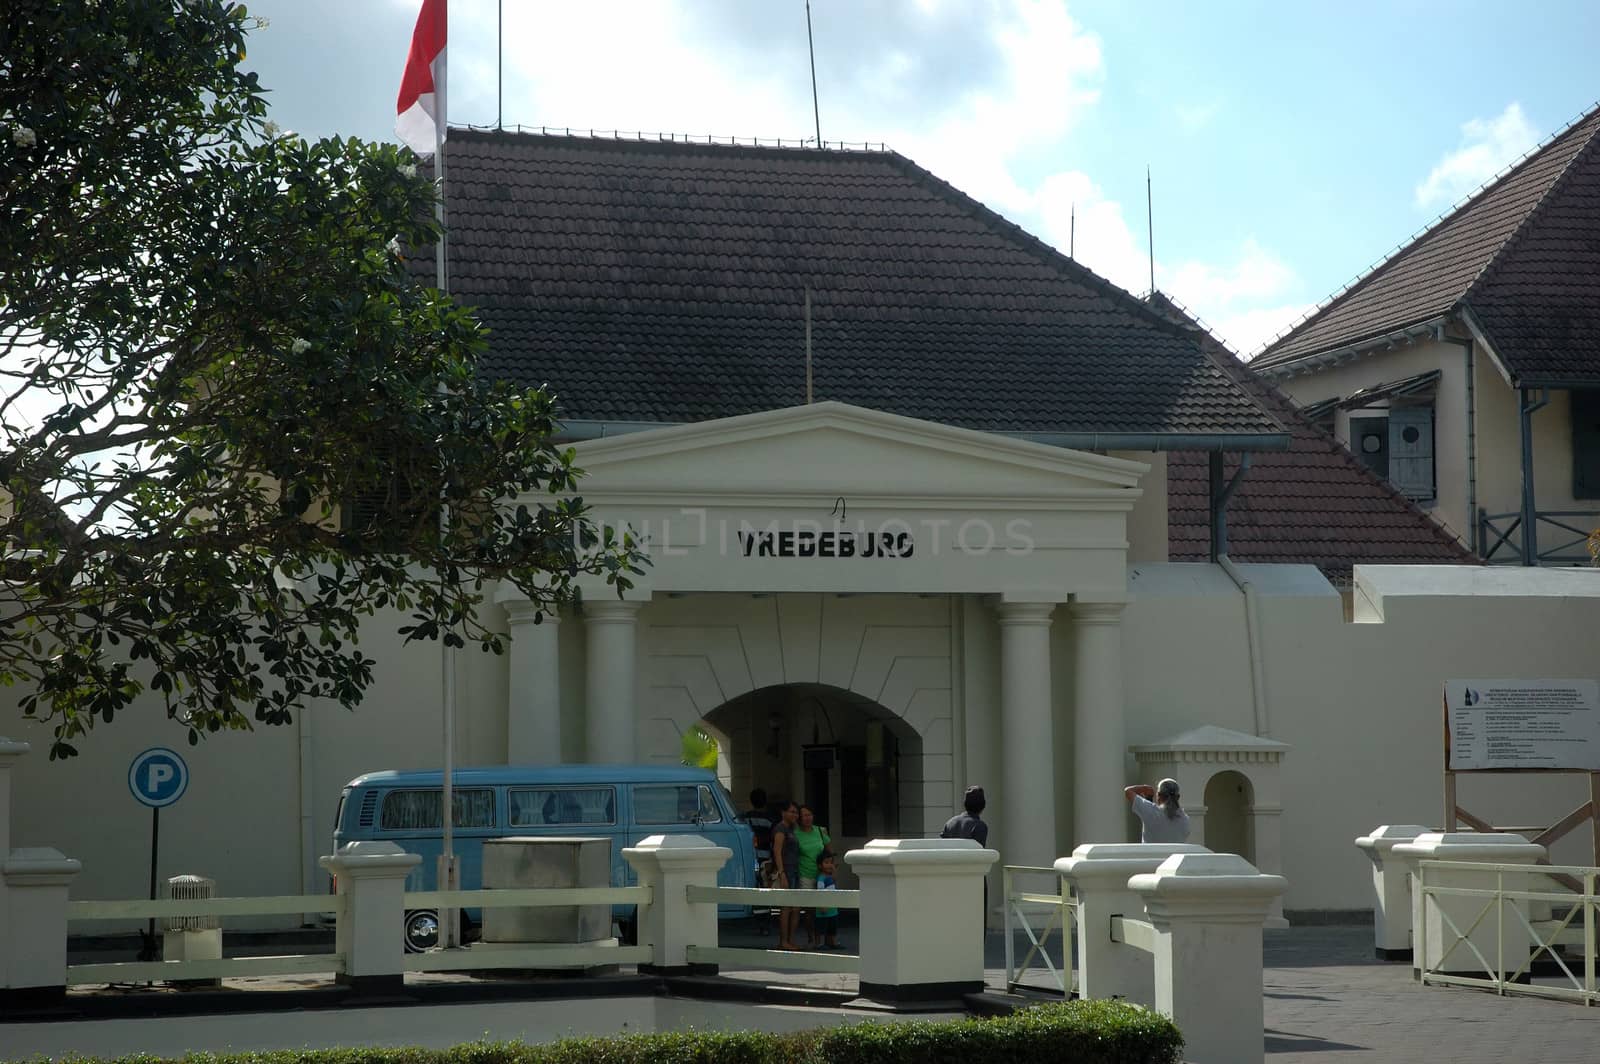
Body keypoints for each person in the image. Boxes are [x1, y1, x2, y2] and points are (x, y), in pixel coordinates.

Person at [793, 804, 831, 946]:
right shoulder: (795, 833)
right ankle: (812, 937)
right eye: (804, 816)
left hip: (822, 874)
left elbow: (829, 852)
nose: (807, 818)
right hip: (805, 874)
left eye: (809, 815)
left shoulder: (821, 831)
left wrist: (832, 871)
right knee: (809, 910)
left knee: (826, 907)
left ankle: (827, 938)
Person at [742, 788, 776, 935]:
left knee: (754, 888)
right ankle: (765, 925)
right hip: (766, 858)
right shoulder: (770, 819)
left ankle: (756, 920)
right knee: (765, 890)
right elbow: (773, 840)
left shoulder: (745, 818)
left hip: (751, 857)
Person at [770, 799, 802, 950]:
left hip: (795, 871)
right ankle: (783, 941)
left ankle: (790, 940)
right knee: (786, 908)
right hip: (786, 871)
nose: (795, 815)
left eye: (796, 812)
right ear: (783, 812)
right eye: (792, 811)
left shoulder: (792, 829)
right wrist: (782, 873)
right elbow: (777, 852)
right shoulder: (780, 829)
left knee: (795, 908)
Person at [1125, 778, 1191, 843]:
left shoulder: (1151, 812)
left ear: (1159, 795)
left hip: (1150, 853)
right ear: (1178, 797)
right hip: (1174, 854)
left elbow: (1128, 791)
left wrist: (1144, 788)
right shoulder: (1185, 820)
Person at [814, 851, 841, 950]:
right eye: (826, 863)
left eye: (831, 862)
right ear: (820, 866)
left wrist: (834, 870)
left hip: (832, 908)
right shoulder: (821, 878)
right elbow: (820, 893)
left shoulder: (830, 877)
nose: (829, 865)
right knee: (821, 927)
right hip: (824, 908)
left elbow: (835, 878)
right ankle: (819, 943)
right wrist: (822, 905)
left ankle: (832, 942)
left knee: (832, 927)